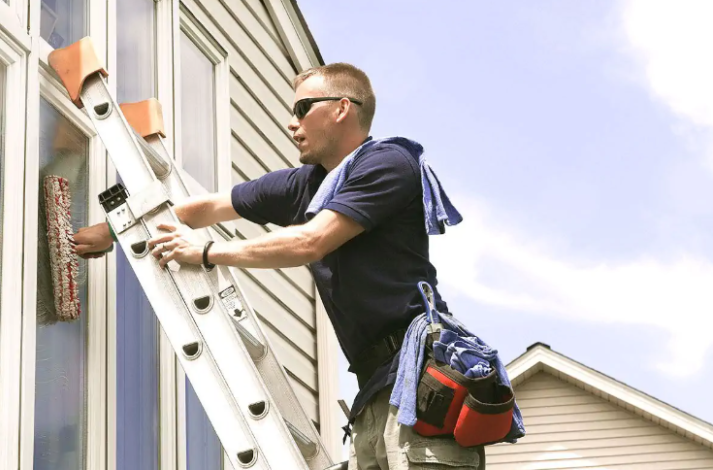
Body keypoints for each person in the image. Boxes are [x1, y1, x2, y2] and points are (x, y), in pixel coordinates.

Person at [72, 63, 485, 470]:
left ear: (342, 108)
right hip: (374, 390)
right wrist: (113, 230)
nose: (292, 122)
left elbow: (311, 241)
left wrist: (206, 252)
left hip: (419, 384)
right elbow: (209, 207)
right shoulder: (307, 184)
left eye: (302, 108)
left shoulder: (388, 163)